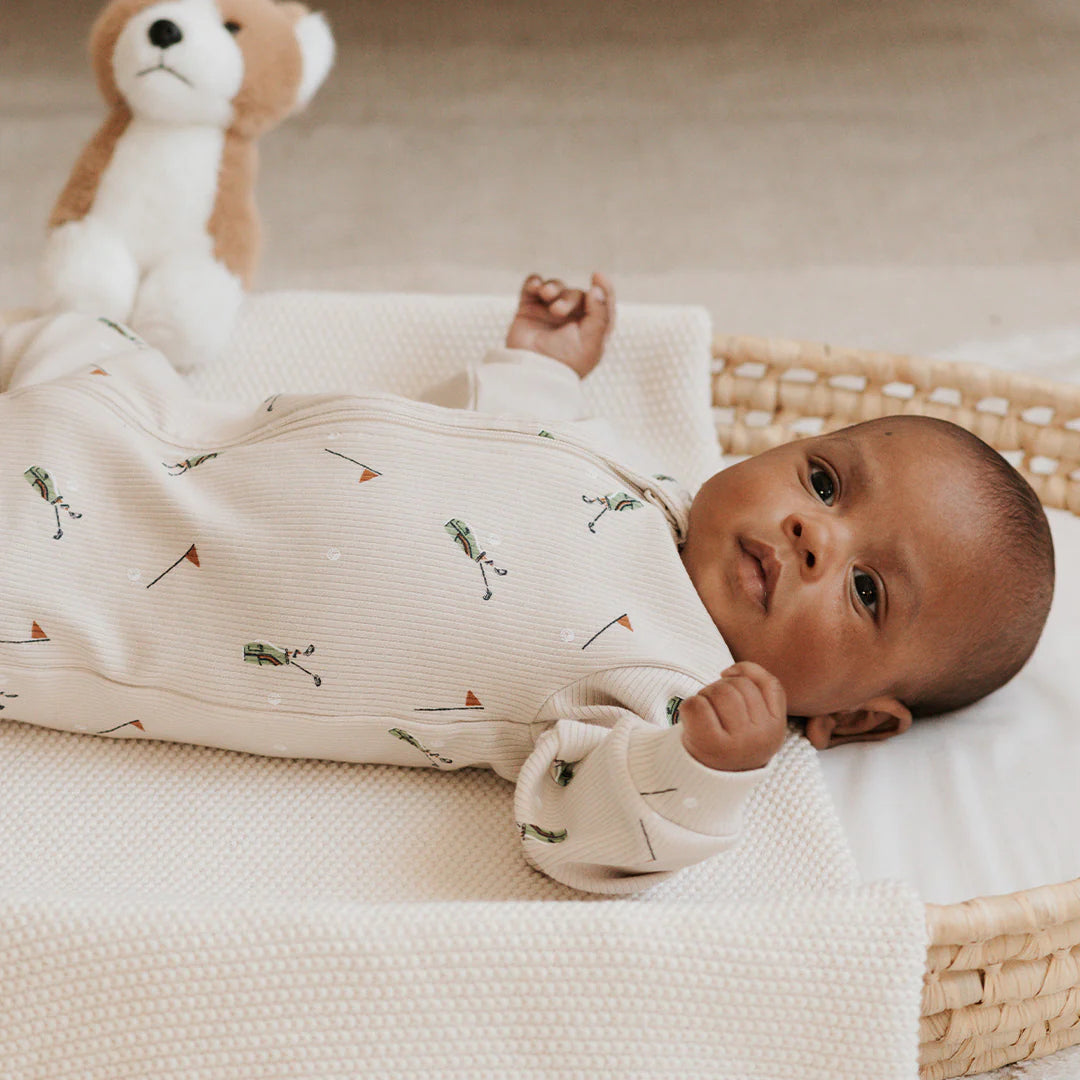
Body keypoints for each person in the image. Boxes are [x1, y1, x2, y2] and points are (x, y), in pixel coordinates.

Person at [0, 274, 1054, 894]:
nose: (814, 535)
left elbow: (577, 825)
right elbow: (505, 433)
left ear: (860, 722)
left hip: (99, 584)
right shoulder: (635, 471)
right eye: (824, 481)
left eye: (869, 592)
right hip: (159, 430)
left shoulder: (667, 688)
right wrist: (544, 364)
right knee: (82, 341)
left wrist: (698, 768)